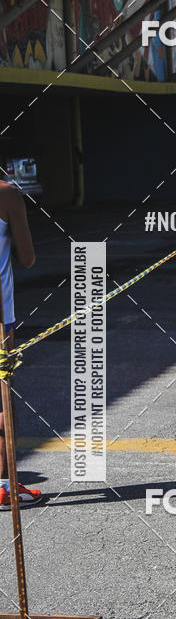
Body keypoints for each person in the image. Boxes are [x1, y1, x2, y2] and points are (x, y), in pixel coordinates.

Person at [0, 181, 40, 507]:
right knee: (2, 399)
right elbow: (27, 258)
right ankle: (4, 484)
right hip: (0, 317)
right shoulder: (7, 193)